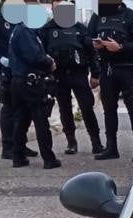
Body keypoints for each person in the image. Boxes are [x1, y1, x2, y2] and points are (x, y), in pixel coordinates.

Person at [88, 0, 133, 162]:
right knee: (109, 108)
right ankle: (111, 147)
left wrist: (120, 47)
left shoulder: (132, 16)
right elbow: (88, 38)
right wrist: (96, 44)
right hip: (108, 68)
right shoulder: (98, 16)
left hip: (128, 68)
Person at [42, 0, 101, 154]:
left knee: (87, 107)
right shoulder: (47, 29)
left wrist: (95, 74)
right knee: (64, 109)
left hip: (78, 73)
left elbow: (91, 52)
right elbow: (41, 52)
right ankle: (71, 142)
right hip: (58, 75)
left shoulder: (80, 28)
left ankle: (96, 141)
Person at [8, 1, 61, 169]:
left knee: (21, 119)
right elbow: (34, 57)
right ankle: (48, 158)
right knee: (39, 119)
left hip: (19, 81)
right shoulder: (25, 32)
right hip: (29, 81)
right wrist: (49, 63)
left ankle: (18, 156)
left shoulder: (22, 30)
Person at [0, 2, 35, 160]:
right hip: (7, 69)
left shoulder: (23, 21)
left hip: (24, 69)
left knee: (25, 107)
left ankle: (20, 144)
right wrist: (0, 58)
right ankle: (8, 146)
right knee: (10, 107)